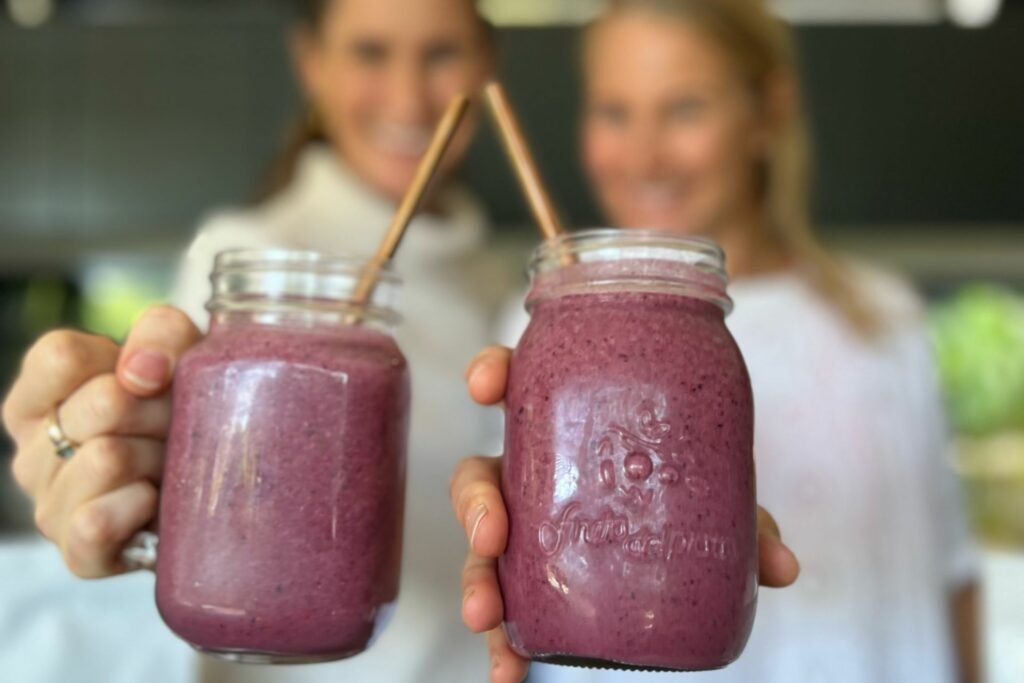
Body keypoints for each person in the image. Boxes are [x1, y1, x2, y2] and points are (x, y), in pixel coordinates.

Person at [447, 1, 980, 682]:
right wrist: (499, 526)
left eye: (684, 109)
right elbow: (508, 536)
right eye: (614, 112)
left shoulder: (883, 322)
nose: (645, 154)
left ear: (767, 111)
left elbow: (950, 569)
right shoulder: (538, 335)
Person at [2, 0, 505, 681]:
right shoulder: (251, 256)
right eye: (370, 52)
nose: (409, 95)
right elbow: (168, 469)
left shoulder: (503, 275)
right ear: (311, 64)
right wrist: (106, 459)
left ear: (485, 64)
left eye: (441, 53)